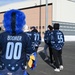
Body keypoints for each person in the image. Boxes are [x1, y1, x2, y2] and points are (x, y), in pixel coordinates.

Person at [0, 9, 36, 75]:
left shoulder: (2, 36)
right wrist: (32, 65)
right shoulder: (25, 36)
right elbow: (31, 53)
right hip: (19, 68)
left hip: (3, 68)